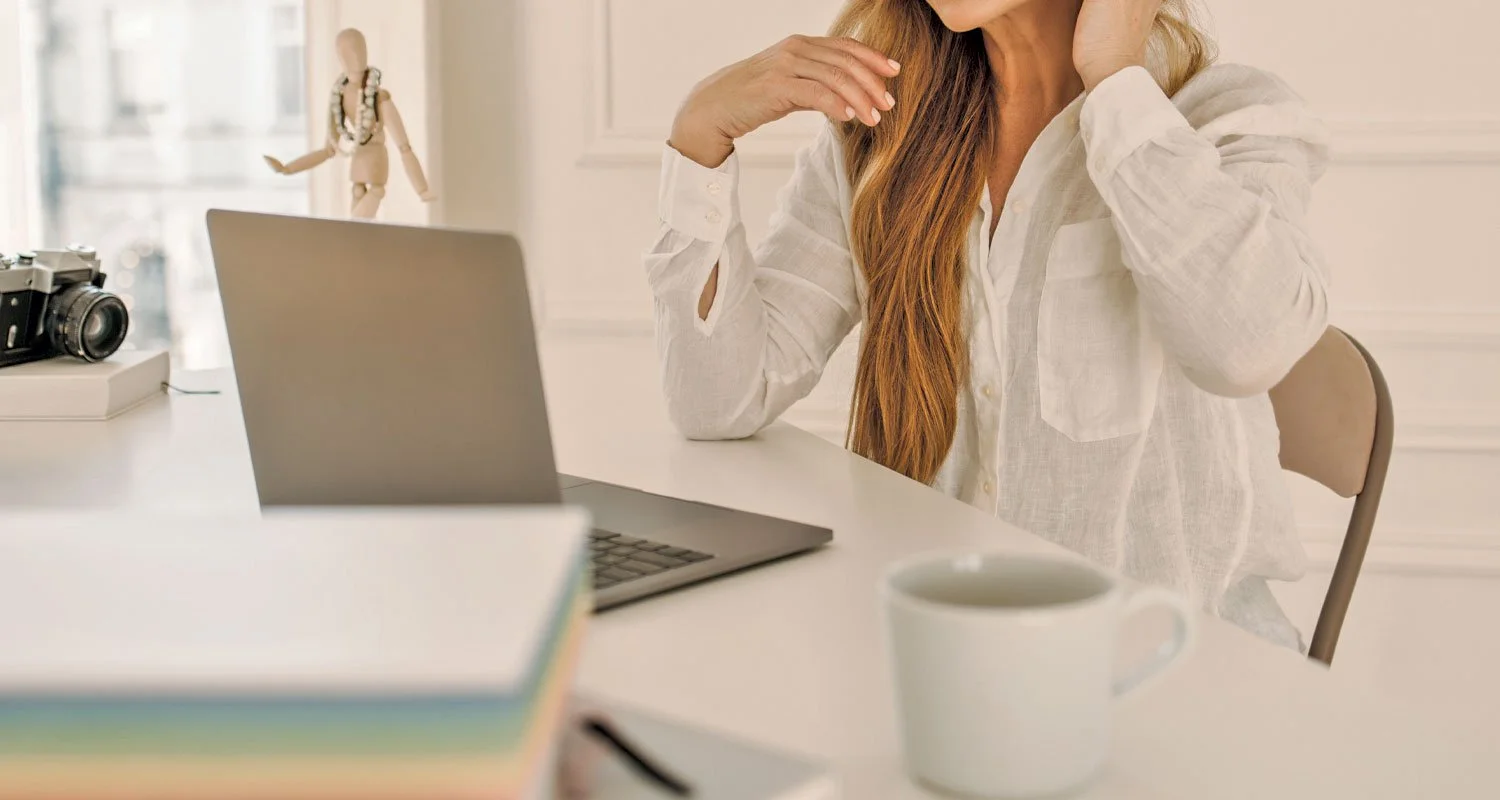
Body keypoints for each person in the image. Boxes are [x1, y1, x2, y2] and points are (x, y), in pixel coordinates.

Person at [645, 0, 1330, 650]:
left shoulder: (1225, 116)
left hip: (1188, 678)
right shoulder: (883, 134)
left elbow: (1248, 349)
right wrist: (700, 131)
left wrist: (1116, 81)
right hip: (959, 664)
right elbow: (719, 398)